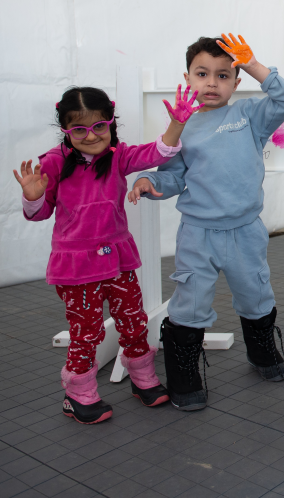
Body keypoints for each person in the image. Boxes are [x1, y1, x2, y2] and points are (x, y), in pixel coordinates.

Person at [128, 35, 284, 411]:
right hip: (198, 234)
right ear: (187, 77)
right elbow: (172, 177)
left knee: (256, 294)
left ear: (237, 83)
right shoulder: (181, 127)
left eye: (223, 75)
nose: (211, 83)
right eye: (202, 73)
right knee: (189, 303)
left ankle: (262, 352)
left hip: (245, 231)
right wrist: (150, 182)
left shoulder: (250, 115)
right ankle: (184, 376)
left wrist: (253, 63)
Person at [15, 85, 198, 423]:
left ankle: (142, 376)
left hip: (117, 260)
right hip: (76, 270)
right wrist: (33, 196)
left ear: (111, 123)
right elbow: (38, 214)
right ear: (65, 131)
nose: (91, 135)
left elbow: (156, 154)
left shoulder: (117, 156)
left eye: (99, 126)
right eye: (79, 129)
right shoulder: (53, 163)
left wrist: (177, 124)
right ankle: (78, 393)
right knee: (86, 333)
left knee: (134, 320)